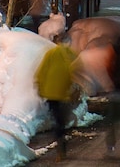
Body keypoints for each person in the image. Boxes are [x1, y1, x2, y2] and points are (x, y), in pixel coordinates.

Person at [35, 32, 80, 160]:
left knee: (58, 121)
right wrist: (76, 89)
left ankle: (61, 147)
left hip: (51, 93)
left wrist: (40, 87)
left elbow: (41, 71)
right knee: (62, 121)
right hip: (65, 93)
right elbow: (78, 73)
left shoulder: (50, 53)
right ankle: (62, 143)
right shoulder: (72, 55)